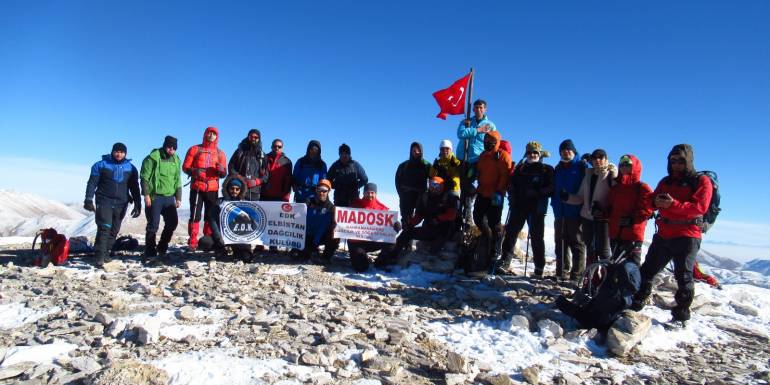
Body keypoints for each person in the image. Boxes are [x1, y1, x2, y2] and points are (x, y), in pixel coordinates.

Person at [631, 144, 713, 323]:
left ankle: (681, 315)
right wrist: (655, 201)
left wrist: (672, 204)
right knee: (648, 270)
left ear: (688, 161)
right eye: (672, 161)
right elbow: (652, 200)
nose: (676, 164)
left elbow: (699, 207)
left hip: (687, 235)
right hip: (664, 233)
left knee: (683, 276)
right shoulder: (666, 181)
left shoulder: (701, 181)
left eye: (680, 161)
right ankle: (637, 302)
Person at [499, 141, 554, 277]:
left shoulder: (547, 169)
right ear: (526, 153)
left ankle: (539, 268)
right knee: (511, 233)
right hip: (519, 205)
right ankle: (505, 262)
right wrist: (511, 193)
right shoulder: (521, 168)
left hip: (537, 207)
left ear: (539, 153)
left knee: (536, 238)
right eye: (530, 152)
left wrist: (538, 193)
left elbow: (552, 188)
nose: (532, 155)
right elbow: (512, 183)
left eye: (535, 152)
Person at [84, 142, 141, 267]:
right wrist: (88, 199)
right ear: (112, 151)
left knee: (114, 229)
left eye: (121, 152)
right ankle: (99, 256)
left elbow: (134, 187)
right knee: (105, 227)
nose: (119, 154)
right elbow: (92, 183)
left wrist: (138, 203)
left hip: (122, 203)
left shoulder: (131, 168)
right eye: (117, 151)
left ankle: (106, 252)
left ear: (125, 153)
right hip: (104, 200)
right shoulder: (100, 165)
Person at [563, 149, 618, 266]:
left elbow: (617, 198)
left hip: (604, 219)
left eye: (601, 157)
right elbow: (581, 197)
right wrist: (567, 197)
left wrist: (605, 210)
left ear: (606, 159)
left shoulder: (611, 175)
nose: (597, 160)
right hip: (587, 217)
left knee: (604, 251)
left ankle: (606, 280)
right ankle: (591, 280)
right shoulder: (588, 175)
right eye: (594, 158)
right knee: (591, 250)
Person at [182, 126, 227, 251]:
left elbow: (224, 174)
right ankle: (192, 241)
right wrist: (194, 171)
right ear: (205, 134)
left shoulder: (220, 153)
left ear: (217, 137)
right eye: (209, 133)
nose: (211, 136)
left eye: (214, 134)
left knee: (210, 215)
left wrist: (221, 170)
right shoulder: (195, 149)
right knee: (195, 215)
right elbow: (185, 167)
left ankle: (207, 241)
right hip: (197, 187)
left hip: (212, 188)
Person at [474, 131, 513, 270]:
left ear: (495, 142)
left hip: (495, 194)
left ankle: (494, 252)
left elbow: (505, 174)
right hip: (482, 192)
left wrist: (499, 190)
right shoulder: (483, 156)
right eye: (485, 140)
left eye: (489, 141)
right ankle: (487, 238)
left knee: (494, 223)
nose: (486, 143)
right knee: (477, 217)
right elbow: (478, 171)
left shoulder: (503, 156)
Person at [390, 176, 459, 256]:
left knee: (434, 251)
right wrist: (409, 223)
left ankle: (433, 253)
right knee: (407, 233)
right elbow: (419, 215)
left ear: (442, 186)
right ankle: (392, 254)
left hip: (446, 231)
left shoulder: (450, 197)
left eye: (437, 185)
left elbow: (452, 215)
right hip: (429, 229)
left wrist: (438, 218)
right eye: (432, 184)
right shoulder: (425, 197)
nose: (434, 188)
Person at [140, 135, 182, 261]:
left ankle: (162, 247)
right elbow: (144, 178)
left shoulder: (176, 160)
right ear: (165, 146)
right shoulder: (152, 158)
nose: (171, 150)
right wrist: (146, 195)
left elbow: (177, 180)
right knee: (153, 225)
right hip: (155, 197)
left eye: (174, 148)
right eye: (169, 147)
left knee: (172, 222)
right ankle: (150, 251)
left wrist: (178, 197)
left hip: (169, 197)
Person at [606, 154, 653, 265]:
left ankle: (633, 283)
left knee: (631, 266)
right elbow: (610, 208)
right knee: (616, 264)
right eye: (621, 165)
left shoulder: (642, 187)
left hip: (633, 234)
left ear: (635, 167)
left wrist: (632, 219)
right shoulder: (616, 188)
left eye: (627, 165)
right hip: (615, 232)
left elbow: (649, 209)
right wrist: (601, 212)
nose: (624, 167)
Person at [456, 99, 497, 228]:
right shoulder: (467, 122)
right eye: (476, 108)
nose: (478, 110)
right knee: (463, 188)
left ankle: (468, 213)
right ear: (473, 109)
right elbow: (460, 134)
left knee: (471, 187)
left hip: (477, 160)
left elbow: (494, 141)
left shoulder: (490, 125)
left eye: (481, 107)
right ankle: (458, 217)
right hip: (463, 158)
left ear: (485, 109)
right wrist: (477, 130)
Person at [551, 139, 587, 281]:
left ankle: (576, 276)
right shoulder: (558, 168)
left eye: (568, 150)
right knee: (560, 243)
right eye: (563, 150)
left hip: (575, 211)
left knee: (577, 243)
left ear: (574, 151)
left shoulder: (581, 166)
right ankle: (561, 273)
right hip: (559, 211)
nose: (566, 152)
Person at [348, 183, 401, 272]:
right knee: (361, 268)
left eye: (372, 192)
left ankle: (380, 262)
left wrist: (396, 226)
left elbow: (390, 225)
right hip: (357, 242)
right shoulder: (354, 205)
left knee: (392, 242)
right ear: (363, 193)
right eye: (367, 192)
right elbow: (345, 221)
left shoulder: (382, 209)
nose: (370, 195)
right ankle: (362, 257)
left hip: (373, 241)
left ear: (376, 194)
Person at [302, 179, 339, 264]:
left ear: (328, 191)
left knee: (336, 233)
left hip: (321, 236)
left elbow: (333, 225)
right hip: (308, 235)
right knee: (296, 255)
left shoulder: (331, 207)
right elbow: (297, 216)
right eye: (319, 190)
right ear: (316, 190)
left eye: (324, 191)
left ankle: (326, 257)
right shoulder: (308, 202)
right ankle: (312, 251)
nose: (321, 193)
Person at [228, 129, 269, 201]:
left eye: (256, 137)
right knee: (238, 211)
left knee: (252, 212)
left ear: (259, 139)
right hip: (239, 189)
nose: (253, 139)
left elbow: (266, 175)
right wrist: (239, 177)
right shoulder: (240, 151)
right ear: (248, 137)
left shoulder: (262, 155)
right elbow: (231, 167)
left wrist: (257, 181)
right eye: (251, 137)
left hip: (255, 191)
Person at [395, 142, 430, 224]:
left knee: (419, 218)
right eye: (414, 150)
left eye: (418, 150)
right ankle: (406, 233)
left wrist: (427, 194)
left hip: (420, 197)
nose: (416, 152)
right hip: (406, 197)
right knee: (406, 220)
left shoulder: (426, 165)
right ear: (410, 151)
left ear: (421, 152)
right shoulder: (403, 165)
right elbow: (397, 180)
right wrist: (401, 194)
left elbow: (434, 178)